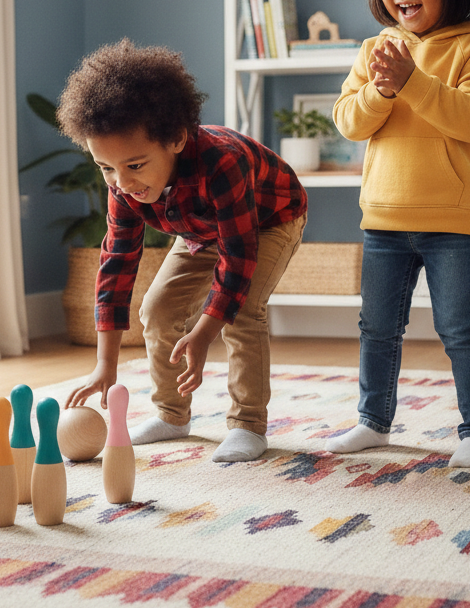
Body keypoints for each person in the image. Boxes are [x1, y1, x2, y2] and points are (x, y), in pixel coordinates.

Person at [60, 39, 307, 463]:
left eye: (135, 165)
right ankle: (171, 416)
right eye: (106, 168)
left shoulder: (222, 162)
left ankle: (248, 424)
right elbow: (117, 264)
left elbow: (238, 256)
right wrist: (105, 363)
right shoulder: (123, 187)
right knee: (157, 310)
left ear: (175, 139)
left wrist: (205, 332)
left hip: (267, 222)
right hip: (200, 230)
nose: (122, 182)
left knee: (242, 310)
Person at [332, 0, 470, 468]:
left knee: (460, 328)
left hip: (453, 221)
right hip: (383, 219)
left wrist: (412, 81)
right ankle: (373, 421)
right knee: (377, 328)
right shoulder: (376, 49)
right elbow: (348, 121)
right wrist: (383, 89)